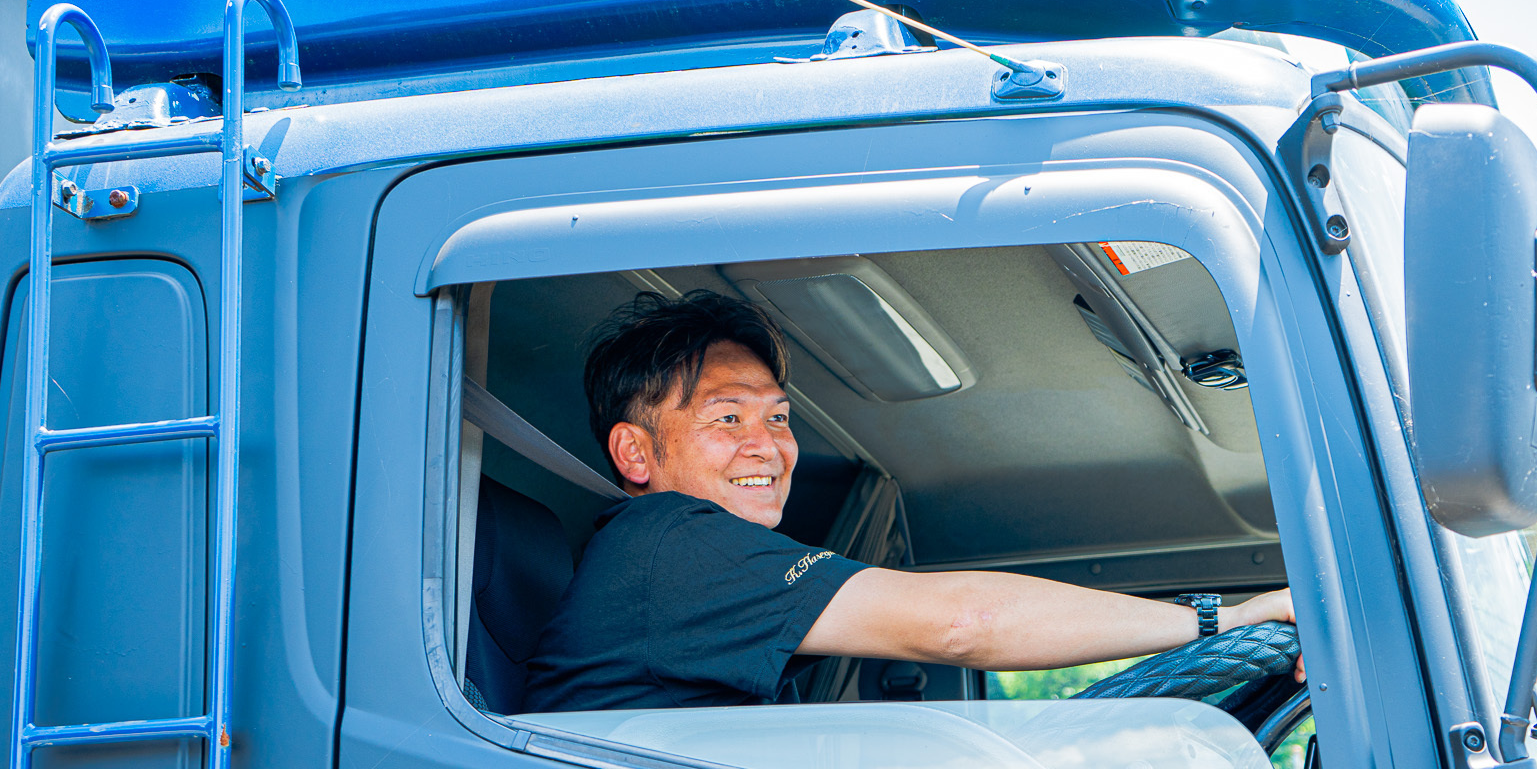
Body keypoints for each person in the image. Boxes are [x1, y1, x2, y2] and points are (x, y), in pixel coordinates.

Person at [518, 290, 1298, 712]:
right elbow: (964, 624)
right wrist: (1222, 620)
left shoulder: (685, 571)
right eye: (727, 419)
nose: (768, 445)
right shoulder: (669, 541)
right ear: (635, 453)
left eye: (778, 418)